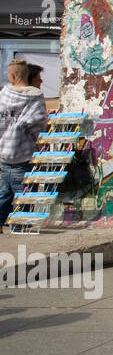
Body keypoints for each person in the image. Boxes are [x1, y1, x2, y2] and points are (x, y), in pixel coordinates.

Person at [1, 59, 48, 231]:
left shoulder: (3, 96)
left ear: (12, 76)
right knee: (25, 193)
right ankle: (20, 226)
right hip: (24, 154)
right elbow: (37, 125)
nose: (41, 82)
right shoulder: (34, 98)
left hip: (5, 154)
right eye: (39, 79)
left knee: (5, 193)